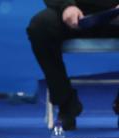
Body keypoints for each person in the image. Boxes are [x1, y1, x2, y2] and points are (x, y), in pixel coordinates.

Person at [26, 1, 119, 130]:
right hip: (72, 13)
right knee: (40, 26)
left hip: (115, 14)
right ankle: (66, 103)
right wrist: (67, 5)